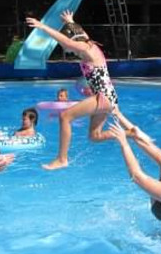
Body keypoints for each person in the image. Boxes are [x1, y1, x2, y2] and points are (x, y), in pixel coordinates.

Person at [25, 10, 147, 170]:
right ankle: (130, 133)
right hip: (108, 96)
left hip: (104, 97)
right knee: (95, 136)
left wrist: (42, 26)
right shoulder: (89, 43)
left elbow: (68, 42)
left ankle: (62, 159)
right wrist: (70, 21)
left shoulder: (84, 47)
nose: (65, 48)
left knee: (65, 116)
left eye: (65, 44)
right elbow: (79, 32)